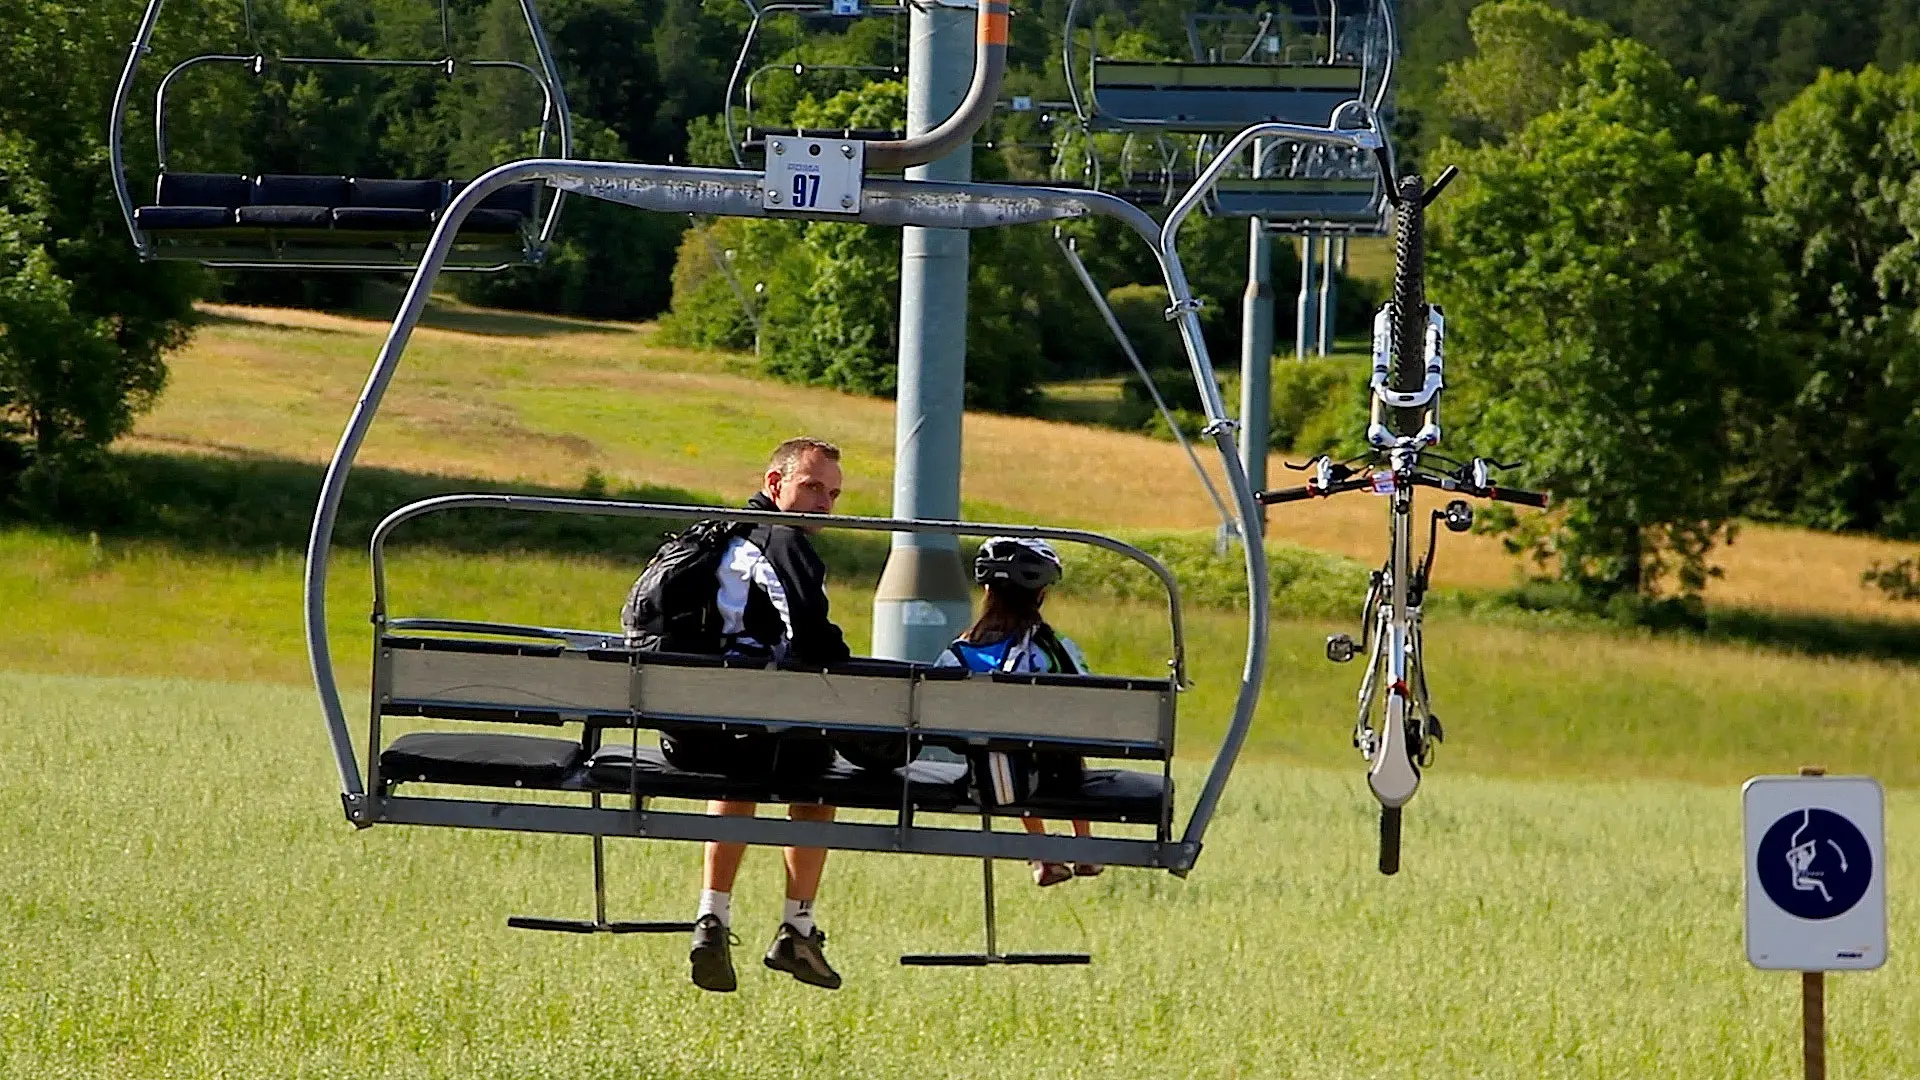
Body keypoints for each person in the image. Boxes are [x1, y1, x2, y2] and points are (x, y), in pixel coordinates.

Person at [670, 436, 850, 993]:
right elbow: (814, 638)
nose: (823, 503)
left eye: (833, 494)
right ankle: (798, 927)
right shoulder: (784, 541)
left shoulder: (716, 533)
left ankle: (713, 914)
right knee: (820, 778)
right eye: (812, 487)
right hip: (751, 732)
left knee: (740, 758)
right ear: (775, 485)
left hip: (692, 731)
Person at [936, 536, 1103, 888]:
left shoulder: (959, 653)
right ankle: (1084, 846)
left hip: (991, 780)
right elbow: (1088, 707)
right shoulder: (1056, 649)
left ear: (985, 589)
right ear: (1040, 593)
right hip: (1058, 772)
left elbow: (941, 718)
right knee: (1062, 748)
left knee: (999, 751)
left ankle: (1042, 853)